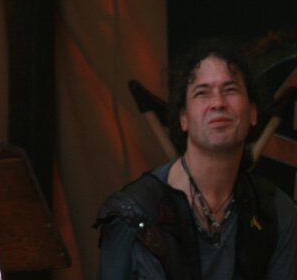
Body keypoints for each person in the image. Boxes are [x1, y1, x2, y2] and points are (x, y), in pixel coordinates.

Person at [94, 39, 297, 279]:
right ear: (183, 118)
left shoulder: (276, 212)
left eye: (230, 90)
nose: (218, 103)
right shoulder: (134, 213)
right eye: (202, 92)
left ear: (253, 113)